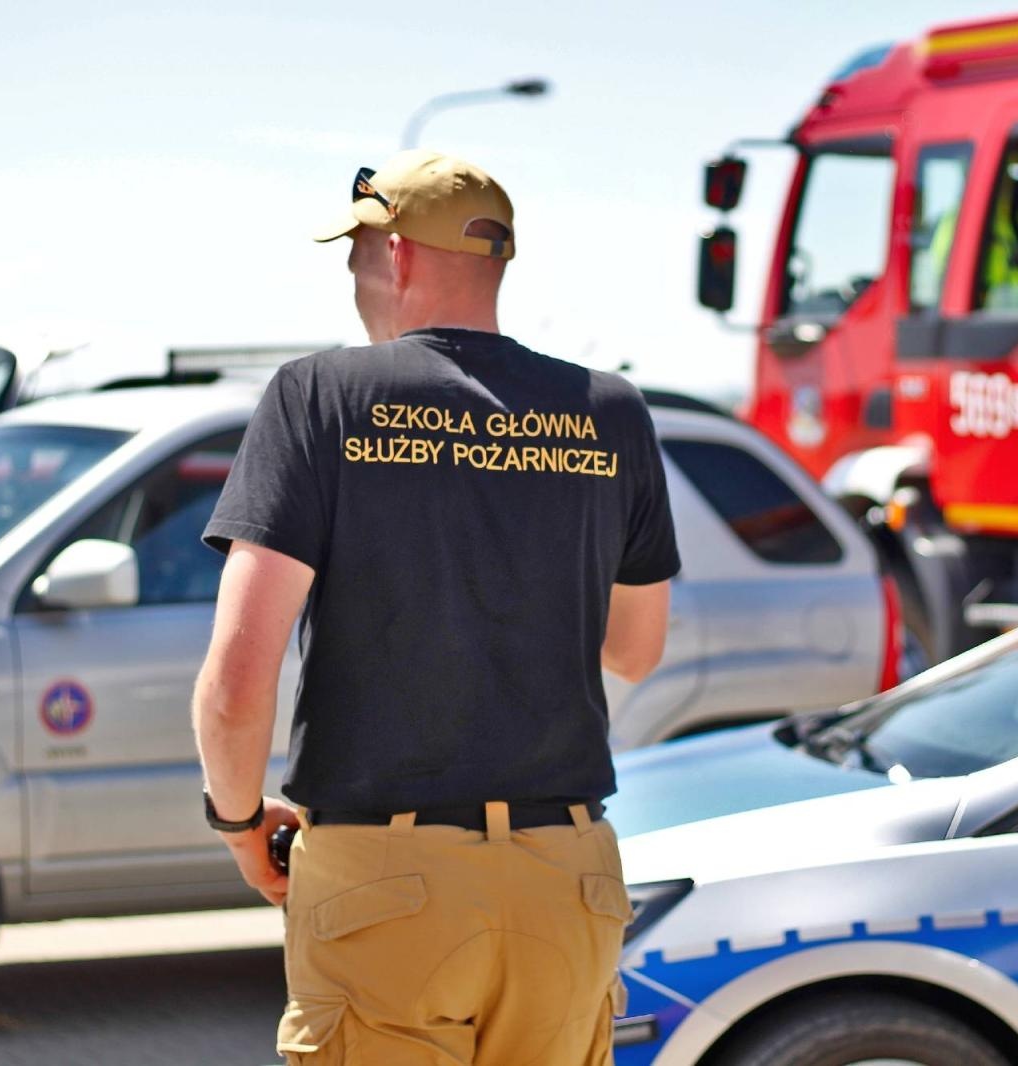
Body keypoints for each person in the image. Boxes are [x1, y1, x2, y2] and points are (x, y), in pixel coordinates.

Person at [191, 149, 680, 1065]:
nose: (348, 272)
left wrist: (238, 820)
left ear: (399, 256)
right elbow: (635, 649)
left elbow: (236, 682)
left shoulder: (319, 397)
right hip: (566, 878)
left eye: (355, 249)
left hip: (386, 881)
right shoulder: (610, 412)